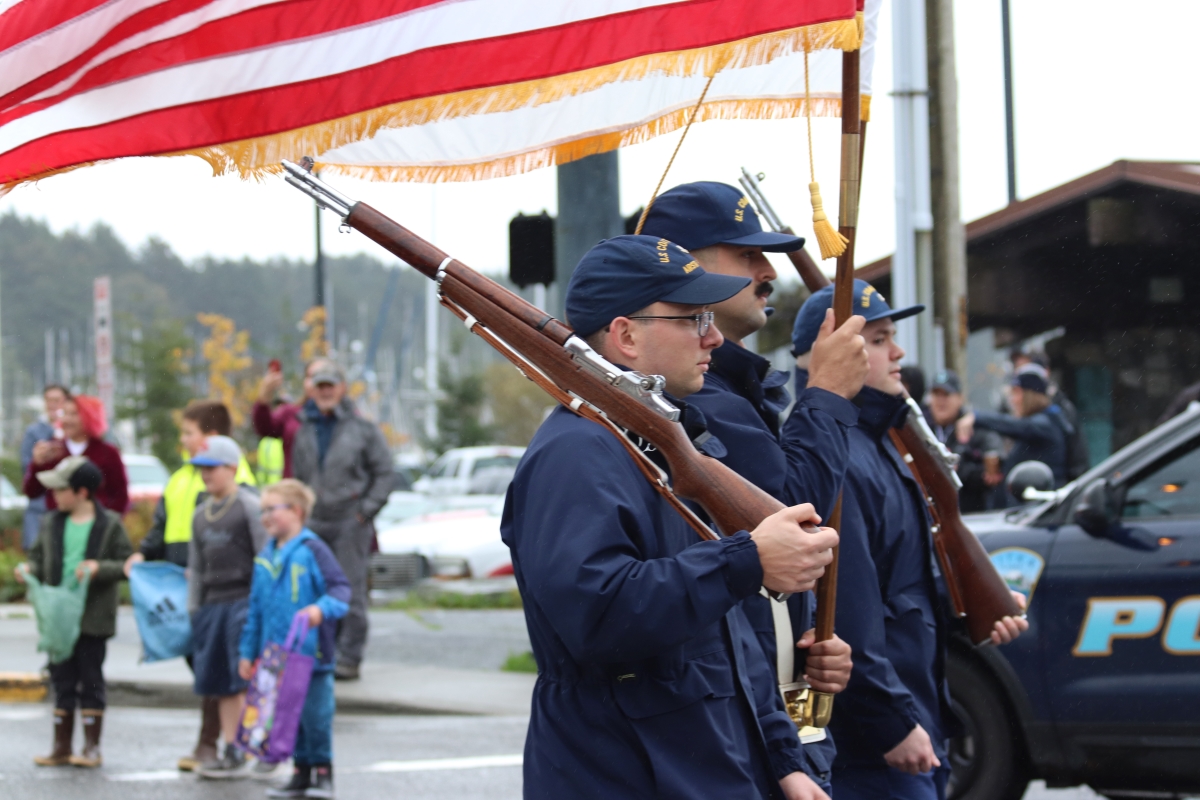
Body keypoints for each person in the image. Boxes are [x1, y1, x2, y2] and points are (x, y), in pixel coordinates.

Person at [504, 234, 841, 800]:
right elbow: (599, 615)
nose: (713, 337)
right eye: (692, 318)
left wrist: (784, 761)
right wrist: (746, 560)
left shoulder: (659, 444)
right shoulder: (576, 453)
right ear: (626, 336)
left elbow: (727, 641)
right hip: (626, 775)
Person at [641, 181, 865, 791]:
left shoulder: (731, 390)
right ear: (682, 265)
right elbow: (796, 513)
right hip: (742, 731)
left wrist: (802, 653)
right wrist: (827, 394)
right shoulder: (698, 400)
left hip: (778, 713)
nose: (768, 273)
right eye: (747, 255)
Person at [791, 280, 1028, 800]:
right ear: (828, 353)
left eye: (891, 337)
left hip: (915, 708)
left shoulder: (880, 444)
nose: (897, 353)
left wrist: (969, 604)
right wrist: (890, 723)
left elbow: (901, 580)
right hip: (872, 744)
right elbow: (845, 610)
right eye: (878, 340)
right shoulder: (841, 455)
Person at [123, 400, 256, 773]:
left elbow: (249, 542)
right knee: (205, 664)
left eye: (188, 432)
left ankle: (220, 743)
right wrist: (144, 553)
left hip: (231, 591)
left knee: (227, 670)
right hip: (189, 585)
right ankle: (219, 743)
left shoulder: (240, 486)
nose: (182, 439)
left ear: (211, 437)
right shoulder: (182, 477)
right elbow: (163, 523)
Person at [16, 457, 133, 768]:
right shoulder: (51, 522)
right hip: (59, 618)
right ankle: (61, 746)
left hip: (93, 616)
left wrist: (99, 568)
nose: (54, 495)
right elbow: (38, 558)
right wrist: (30, 569)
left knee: (91, 678)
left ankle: (92, 746)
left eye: (61, 489)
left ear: (82, 492)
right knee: (62, 678)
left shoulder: (110, 524)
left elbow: (126, 564)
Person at [239, 479, 351, 799]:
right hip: (277, 657)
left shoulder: (313, 550)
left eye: (271, 509)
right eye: (262, 511)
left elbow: (340, 590)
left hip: (311, 656)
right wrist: (247, 652)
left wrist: (320, 609)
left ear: (296, 511)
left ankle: (323, 773)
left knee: (316, 716)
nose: (265, 517)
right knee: (290, 717)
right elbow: (255, 610)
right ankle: (300, 773)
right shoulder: (266, 556)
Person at [291, 359, 391, 680]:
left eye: (330, 386)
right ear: (312, 390)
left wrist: (365, 511)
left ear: (342, 388)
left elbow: (385, 473)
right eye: (320, 386)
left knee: (350, 589)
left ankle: (349, 657)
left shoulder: (363, 429)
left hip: (350, 521)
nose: (325, 392)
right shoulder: (303, 428)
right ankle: (323, 652)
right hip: (313, 521)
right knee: (314, 588)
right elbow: (299, 475)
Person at [184, 436, 269, 779]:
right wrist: (195, 609)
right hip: (212, 604)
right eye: (201, 469)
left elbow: (264, 556)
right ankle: (232, 747)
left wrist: (261, 605)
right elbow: (196, 567)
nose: (206, 475)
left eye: (212, 468)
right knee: (220, 682)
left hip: (242, 599)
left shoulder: (248, 506)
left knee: (242, 677)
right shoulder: (200, 515)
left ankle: (252, 745)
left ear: (232, 468)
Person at [959, 369, 1072, 493]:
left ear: (1030, 396)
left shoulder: (1045, 424)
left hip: (1042, 499)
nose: (1013, 400)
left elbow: (1014, 425)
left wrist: (976, 417)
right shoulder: (1041, 423)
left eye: (1017, 393)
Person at [24, 395, 128, 514]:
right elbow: (32, 492)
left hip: (95, 521)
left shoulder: (108, 452)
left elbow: (120, 496)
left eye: (74, 414)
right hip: (59, 521)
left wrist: (105, 521)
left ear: (90, 417)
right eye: (64, 413)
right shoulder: (53, 449)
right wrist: (37, 464)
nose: (66, 420)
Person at [923, 371, 1004, 513]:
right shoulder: (921, 429)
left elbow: (991, 471)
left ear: (960, 398)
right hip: (931, 514)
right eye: (936, 394)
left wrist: (958, 465)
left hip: (970, 513)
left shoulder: (975, 429)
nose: (941, 401)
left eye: (946, 394)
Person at [19, 385, 70, 550]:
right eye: (48, 400)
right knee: (37, 552)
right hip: (39, 506)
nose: (52, 404)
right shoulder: (33, 432)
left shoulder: (73, 430)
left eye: (57, 400)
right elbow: (26, 468)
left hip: (68, 505)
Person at [253, 361, 321, 479]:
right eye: (310, 376)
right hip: (294, 486)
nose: (316, 382)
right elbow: (264, 427)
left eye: (321, 376)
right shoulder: (291, 413)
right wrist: (265, 392)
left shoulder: (346, 420)